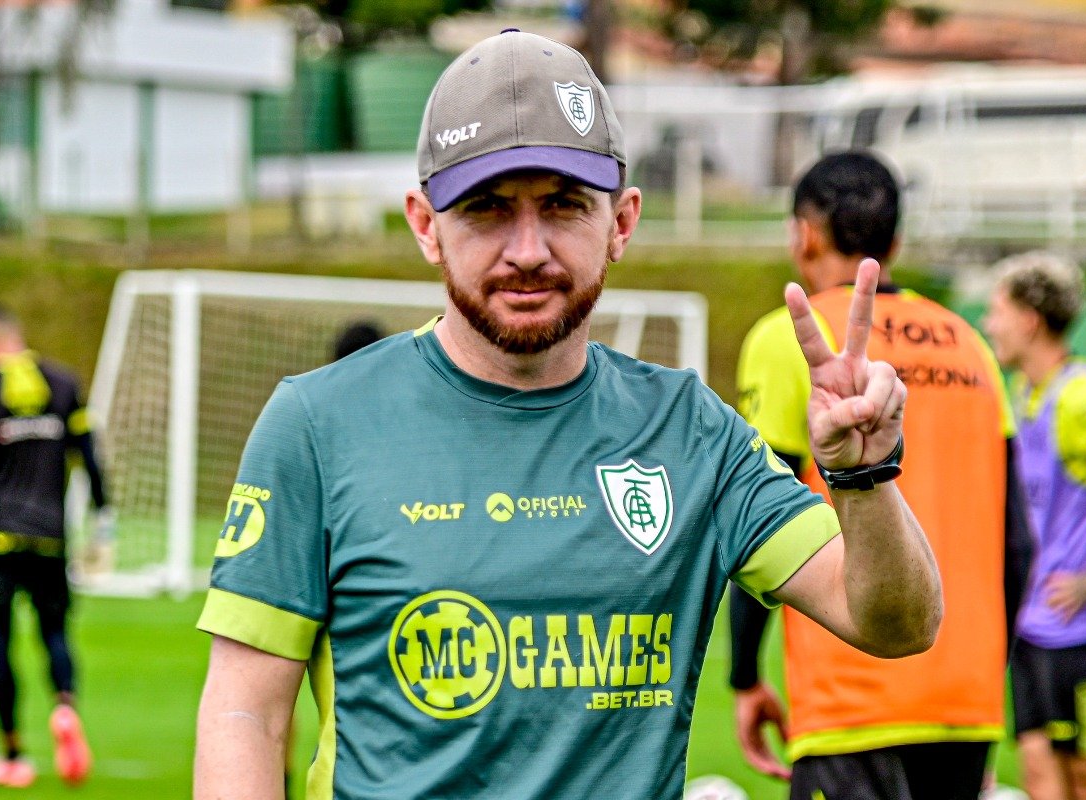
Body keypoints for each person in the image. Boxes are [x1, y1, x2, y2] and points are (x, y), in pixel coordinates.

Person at [194, 30, 942, 800]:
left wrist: (864, 476)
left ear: (620, 221)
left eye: (562, 207)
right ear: (425, 224)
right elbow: (246, 713)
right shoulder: (319, 425)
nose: (528, 249)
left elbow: (894, 623)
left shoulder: (692, 431)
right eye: (486, 208)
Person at [728, 150, 1033, 800]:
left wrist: (745, 677)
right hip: (965, 700)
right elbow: (1018, 541)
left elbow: (754, 520)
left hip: (848, 695)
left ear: (803, 234)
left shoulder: (791, 338)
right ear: (894, 241)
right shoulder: (971, 345)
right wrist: (982, 674)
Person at [0, 303, 111, 788]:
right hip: (51, 534)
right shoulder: (64, 383)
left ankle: (13, 755)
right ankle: (64, 704)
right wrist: (103, 520)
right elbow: (91, 460)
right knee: (55, 633)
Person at [983, 251, 1086, 800]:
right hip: (1032, 624)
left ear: (1029, 319)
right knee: (1043, 780)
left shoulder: (1079, 396)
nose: (988, 322)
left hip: (1080, 630)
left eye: (997, 309)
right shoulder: (1025, 394)